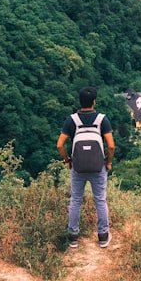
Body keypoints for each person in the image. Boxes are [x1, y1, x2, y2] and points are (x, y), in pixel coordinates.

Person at [57, 85, 115, 248]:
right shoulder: (102, 120)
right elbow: (110, 146)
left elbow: (60, 145)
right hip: (98, 167)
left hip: (78, 167)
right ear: (94, 102)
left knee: (75, 200)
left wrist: (67, 160)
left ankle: (73, 237)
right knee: (100, 200)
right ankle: (103, 237)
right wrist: (108, 162)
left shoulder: (72, 120)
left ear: (80, 102)